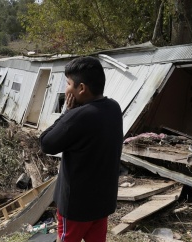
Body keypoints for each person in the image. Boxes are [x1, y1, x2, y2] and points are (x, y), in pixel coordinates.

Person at [39, 56, 123, 242]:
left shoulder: (78, 116)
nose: (65, 89)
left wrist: (68, 112)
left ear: (81, 88)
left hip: (77, 207)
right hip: (102, 203)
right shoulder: (114, 109)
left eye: (68, 84)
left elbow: (46, 143)